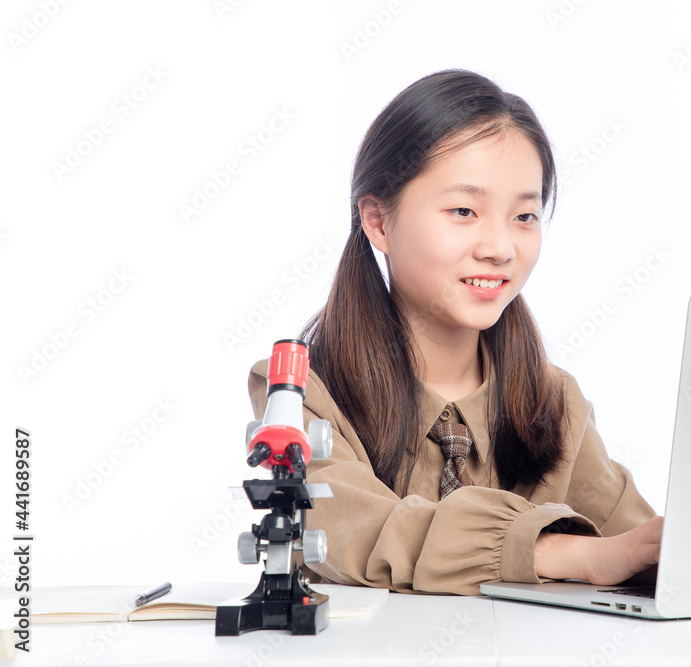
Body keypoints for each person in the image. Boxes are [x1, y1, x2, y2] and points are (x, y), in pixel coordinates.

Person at [248, 68, 662, 596]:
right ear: (378, 220)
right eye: (464, 210)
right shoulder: (301, 393)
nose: (500, 247)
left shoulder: (554, 402)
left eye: (525, 216)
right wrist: (565, 551)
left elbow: (634, 541)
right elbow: (357, 532)